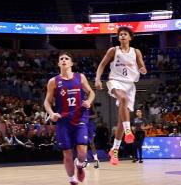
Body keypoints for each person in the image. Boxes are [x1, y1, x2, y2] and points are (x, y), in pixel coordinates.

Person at [94, 27, 147, 165]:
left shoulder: (136, 52)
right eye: (120, 34)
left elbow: (143, 68)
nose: (122, 36)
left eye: (125, 34)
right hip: (115, 81)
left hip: (130, 85)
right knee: (122, 98)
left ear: (130, 37)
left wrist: (143, 69)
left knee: (121, 123)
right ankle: (129, 131)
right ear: (118, 38)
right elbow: (102, 65)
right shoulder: (113, 50)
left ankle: (115, 149)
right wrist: (98, 79)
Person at [45, 52, 95, 185]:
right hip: (63, 120)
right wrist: (51, 113)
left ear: (71, 63)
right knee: (67, 153)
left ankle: (79, 164)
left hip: (80, 118)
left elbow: (91, 92)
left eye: (66, 58)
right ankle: (72, 179)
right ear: (58, 63)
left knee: (82, 151)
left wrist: (89, 101)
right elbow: (47, 101)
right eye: (61, 59)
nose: (63, 60)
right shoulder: (53, 81)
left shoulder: (80, 77)